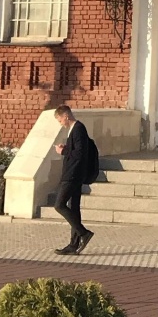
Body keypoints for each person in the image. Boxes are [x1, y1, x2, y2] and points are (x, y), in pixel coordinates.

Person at [51, 103, 95, 254]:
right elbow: (76, 150)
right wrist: (66, 148)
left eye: (60, 120)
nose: (60, 123)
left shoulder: (78, 129)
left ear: (66, 116)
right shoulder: (74, 130)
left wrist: (63, 151)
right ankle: (73, 245)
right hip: (74, 174)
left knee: (59, 205)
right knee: (74, 207)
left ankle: (84, 233)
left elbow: (80, 154)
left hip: (73, 175)